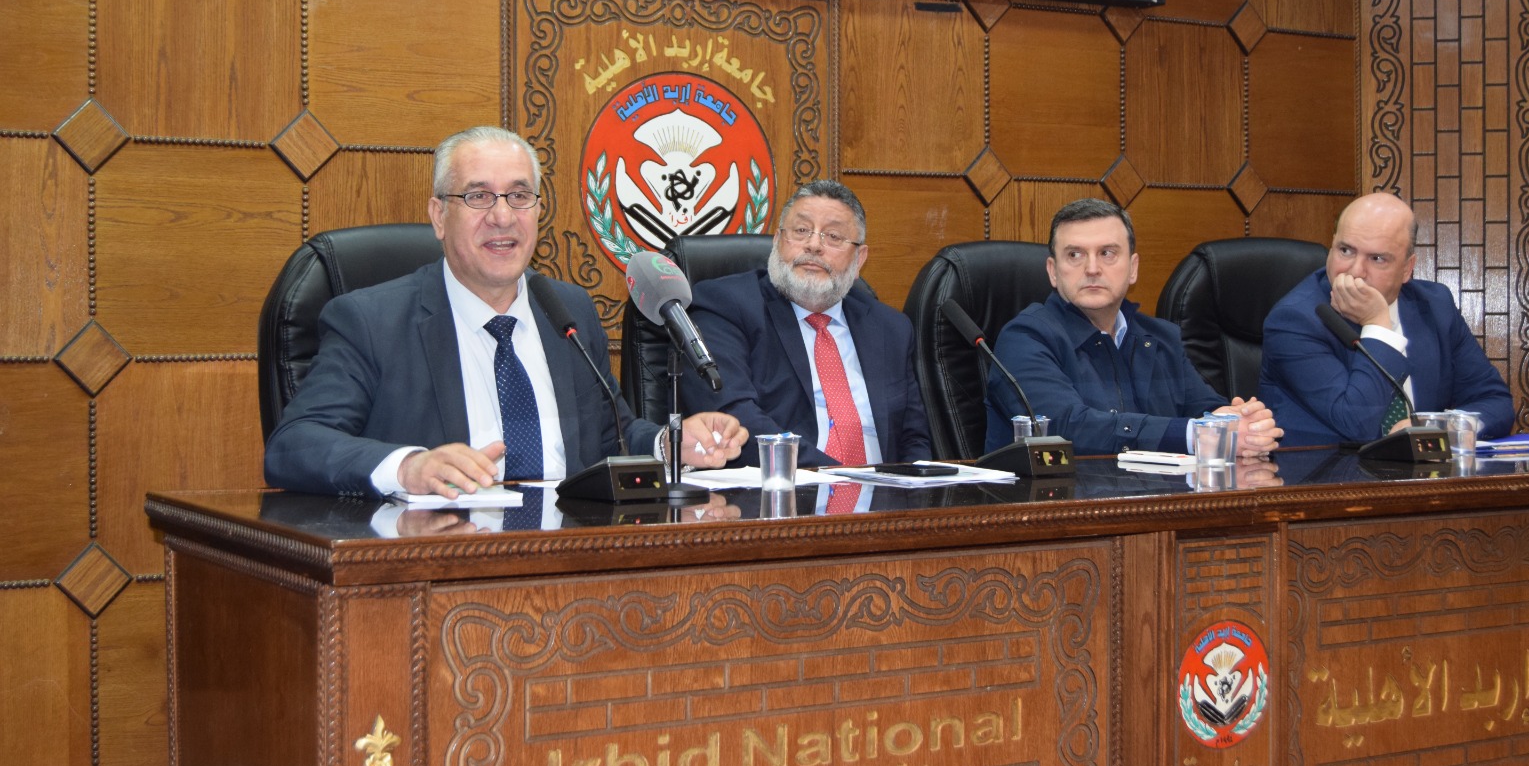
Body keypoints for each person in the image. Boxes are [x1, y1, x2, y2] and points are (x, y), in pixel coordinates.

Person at [263, 125, 746, 498]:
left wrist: (668, 445)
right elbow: (294, 445)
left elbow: (612, 435)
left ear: (537, 211)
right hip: (441, 559)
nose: (502, 216)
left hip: (572, 555)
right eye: (478, 196)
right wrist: (408, 467)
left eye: (519, 196)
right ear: (439, 216)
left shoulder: (567, 310)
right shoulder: (370, 321)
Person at [984, 198, 1282, 457]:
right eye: (1074, 255)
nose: (1092, 268)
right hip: (1060, 502)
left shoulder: (1161, 338)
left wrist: (1241, 424)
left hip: (1162, 500)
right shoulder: (1024, 339)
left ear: (1133, 268)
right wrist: (1197, 435)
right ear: (1053, 271)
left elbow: (1204, 409)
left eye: (1107, 253)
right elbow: (1064, 428)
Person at [681, 180, 932, 469]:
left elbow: (914, 438)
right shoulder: (725, 304)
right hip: (787, 487)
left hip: (885, 491)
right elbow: (733, 419)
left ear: (859, 258)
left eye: (833, 236)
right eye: (801, 231)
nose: (813, 245)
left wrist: (914, 488)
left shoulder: (891, 328)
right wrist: (837, 478)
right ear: (777, 241)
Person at [1257, 191, 1514, 446]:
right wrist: (1378, 326)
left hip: (1424, 471)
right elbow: (1357, 425)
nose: (1356, 271)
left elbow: (1495, 402)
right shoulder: (1295, 320)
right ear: (1332, 245)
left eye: (1377, 258)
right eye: (1345, 250)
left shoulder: (1436, 307)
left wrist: (1438, 429)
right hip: (1326, 470)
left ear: (1407, 269)